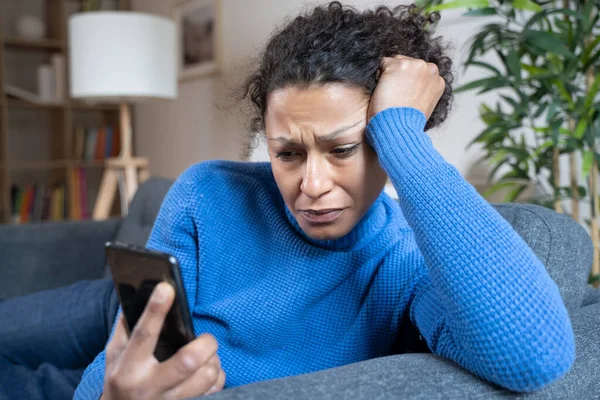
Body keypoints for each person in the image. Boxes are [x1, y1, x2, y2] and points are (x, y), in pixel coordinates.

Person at [0, 3, 575, 399]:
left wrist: (402, 131)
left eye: (343, 148)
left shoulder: (407, 262)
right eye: (289, 154)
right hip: (125, 308)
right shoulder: (208, 191)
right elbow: (120, 352)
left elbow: (536, 357)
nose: (313, 184)